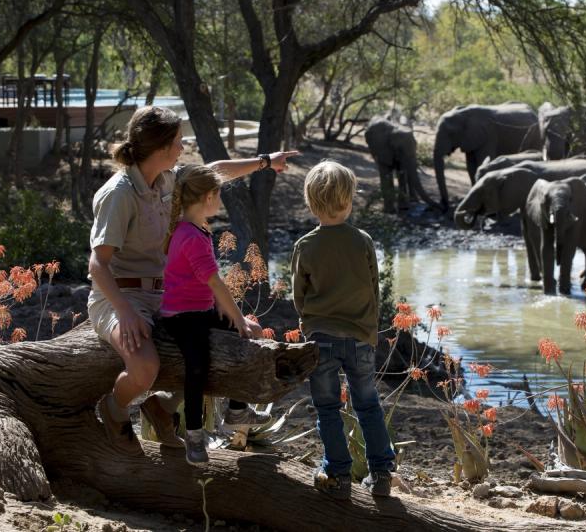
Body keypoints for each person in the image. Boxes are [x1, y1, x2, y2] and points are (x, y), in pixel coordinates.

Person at [88, 105, 297, 453]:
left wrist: (265, 161)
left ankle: (163, 406)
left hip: (165, 297)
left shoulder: (167, 178)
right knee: (144, 368)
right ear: (160, 148)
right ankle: (113, 409)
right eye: (178, 142)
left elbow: (213, 172)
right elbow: (98, 265)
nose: (183, 148)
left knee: (218, 347)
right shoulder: (120, 193)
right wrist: (124, 312)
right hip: (121, 297)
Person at [291, 160, 396, 499]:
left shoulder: (305, 246)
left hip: (321, 339)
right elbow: (373, 287)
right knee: (368, 404)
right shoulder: (362, 240)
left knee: (327, 408)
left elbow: (299, 296)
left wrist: (308, 324)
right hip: (360, 339)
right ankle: (381, 473)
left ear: (311, 203)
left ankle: (337, 473)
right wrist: (370, 330)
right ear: (349, 200)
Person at [160, 164, 266, 464]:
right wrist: (236, 318)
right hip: (180, 316)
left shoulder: (197, 229)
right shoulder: (191, 236)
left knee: (253, 332)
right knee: (198, 364)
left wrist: (239, 320)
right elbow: (215, 282)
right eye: (219, 195)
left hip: (201, 310)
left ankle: (236, 409)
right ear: (209, 196)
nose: (221, 201)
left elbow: (206, 287)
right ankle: (194, 434)